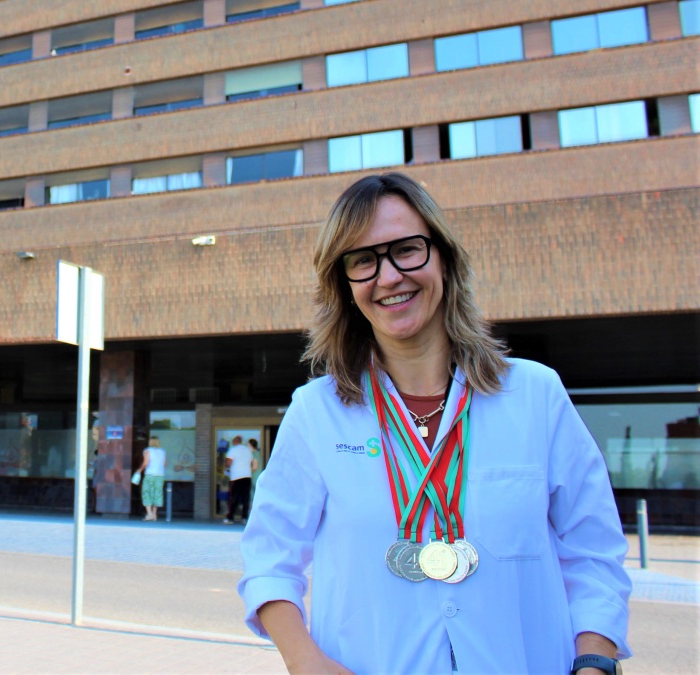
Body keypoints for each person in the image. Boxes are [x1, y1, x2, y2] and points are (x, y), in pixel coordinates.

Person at [238, 173, 630, 674]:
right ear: (345, 285)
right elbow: (268, 560)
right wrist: (306, 662)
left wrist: (595, 663)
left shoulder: (536, 395)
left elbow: (592, 550)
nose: (388, 276)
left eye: (406, 249)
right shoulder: (317, 412)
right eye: (363, 260)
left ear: (444, 257)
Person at [223, 435, 256, 524]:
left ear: (234, 442)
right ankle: (244, 518)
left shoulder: (233, 450)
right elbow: (251, 462)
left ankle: (230, 518)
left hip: (236, 477)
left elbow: (228, 462)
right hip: (247, 477)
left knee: (233, 498)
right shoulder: (248, 451)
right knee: (246, 498)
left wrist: (226, 469)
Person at [135, 436, 168, 521]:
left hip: (150, 475)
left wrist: (139, 470)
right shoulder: (162, 451)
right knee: (157, 493)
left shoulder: (148, 451)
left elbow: (145, 463)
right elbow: (165, 464)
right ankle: (154, 514)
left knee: (147, 493)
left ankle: (149, 513)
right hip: (160, 475)